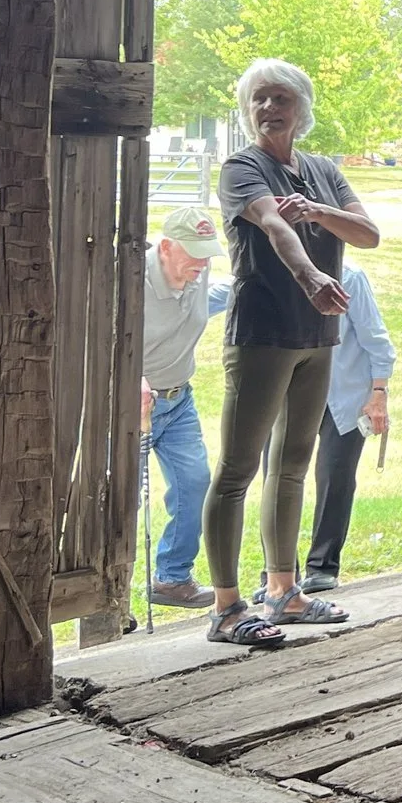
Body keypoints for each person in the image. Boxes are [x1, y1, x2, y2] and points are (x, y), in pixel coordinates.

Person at [209, 59, 383, 648]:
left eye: (280, 98)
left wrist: (316, 210)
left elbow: (368, 234)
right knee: (236, 471)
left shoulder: (323, 171)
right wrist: (311, 277)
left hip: (318, 337)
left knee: (292, 466)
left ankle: (284, 591)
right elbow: (273, 228)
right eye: (258, 98)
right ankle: (228, 607)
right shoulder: (242, 168)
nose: (269, 108)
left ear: (301, 107)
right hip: (262, 334)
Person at [139, 204, 231, 611]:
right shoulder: (130, 278)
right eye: (194, 253)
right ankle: (109, 589)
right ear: (165, 247)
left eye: (208, 252)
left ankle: (172, 580)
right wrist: (125, 377)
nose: (203, 262)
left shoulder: (197, 269)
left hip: (178, 400)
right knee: (119, 499)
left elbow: (198, 305)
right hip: (128, 405)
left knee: (195, 483)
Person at [301, 257, 396, 593]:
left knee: (335, 477)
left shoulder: (350, 276)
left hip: (345, 395)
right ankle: (277, 574)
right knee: (280, 479)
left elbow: (377, 341)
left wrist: (378, 395)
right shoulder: (277, 268)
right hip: (291, 392)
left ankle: (321, 567)